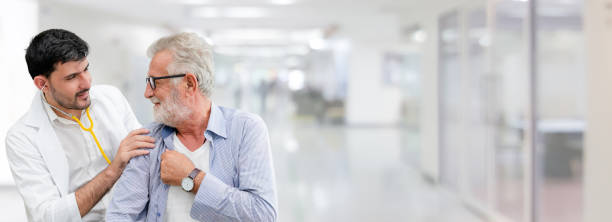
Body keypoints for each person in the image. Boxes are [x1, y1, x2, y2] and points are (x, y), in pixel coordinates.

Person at [107, 32, 278, 221]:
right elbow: (120, 215)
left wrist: (191, 177)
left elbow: (262, 215)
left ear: (189, 83)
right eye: (148, 82)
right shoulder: (148, 141)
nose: (147, 93)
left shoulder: (246, 130)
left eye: (155, 82)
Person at [5, 29, 155, 222]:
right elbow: (47, 216)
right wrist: (113, 170)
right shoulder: (22, 137)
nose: (86, 83)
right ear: (42, 84)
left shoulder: (111, 98)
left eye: (86, 69)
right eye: (72, 77)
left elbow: (144, 157)